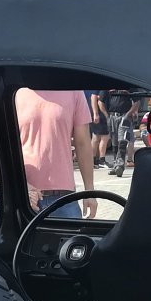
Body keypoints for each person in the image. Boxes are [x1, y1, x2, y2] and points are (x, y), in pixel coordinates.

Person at [15, 88, 96, 217]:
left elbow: (82, 143)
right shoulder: (16, 92)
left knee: (72, 237)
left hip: (63, 199)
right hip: (26, 197)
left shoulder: (73, 91)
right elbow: (7, 144)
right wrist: (23, 184)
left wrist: (90, 191)